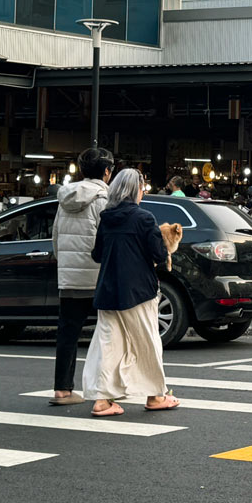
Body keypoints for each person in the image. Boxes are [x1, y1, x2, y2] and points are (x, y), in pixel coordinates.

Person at [84, 168, 179, 417]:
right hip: (139, 290)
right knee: (147, 341)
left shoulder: (107, 217)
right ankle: (155, 395)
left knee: (108, 345)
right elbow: (158, 255)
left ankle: (102, 400)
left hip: (108, 290)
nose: (143, 192)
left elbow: (97, 254)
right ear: (135, 190)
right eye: (142, 187)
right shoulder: (144, 218)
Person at [50, 146, 114, 406]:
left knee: (68, 332)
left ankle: (62, 389)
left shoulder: (64, 200)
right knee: (107, 334)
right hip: (98, 277)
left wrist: (65, 263)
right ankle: (103, 391)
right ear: (107, 172)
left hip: (69, 277)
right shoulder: (103, 200)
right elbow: (107, 239)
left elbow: (56, 238)